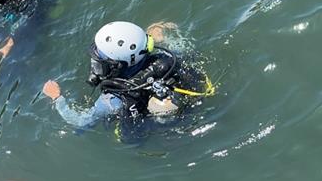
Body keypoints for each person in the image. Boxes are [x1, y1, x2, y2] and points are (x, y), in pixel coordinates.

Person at [42, 21, 213, 140]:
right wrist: (158, 32)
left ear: (117, 65)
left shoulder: (111, 101)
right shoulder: (165, 58)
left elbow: (81, 122)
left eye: (103, 61)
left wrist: (57, 98)